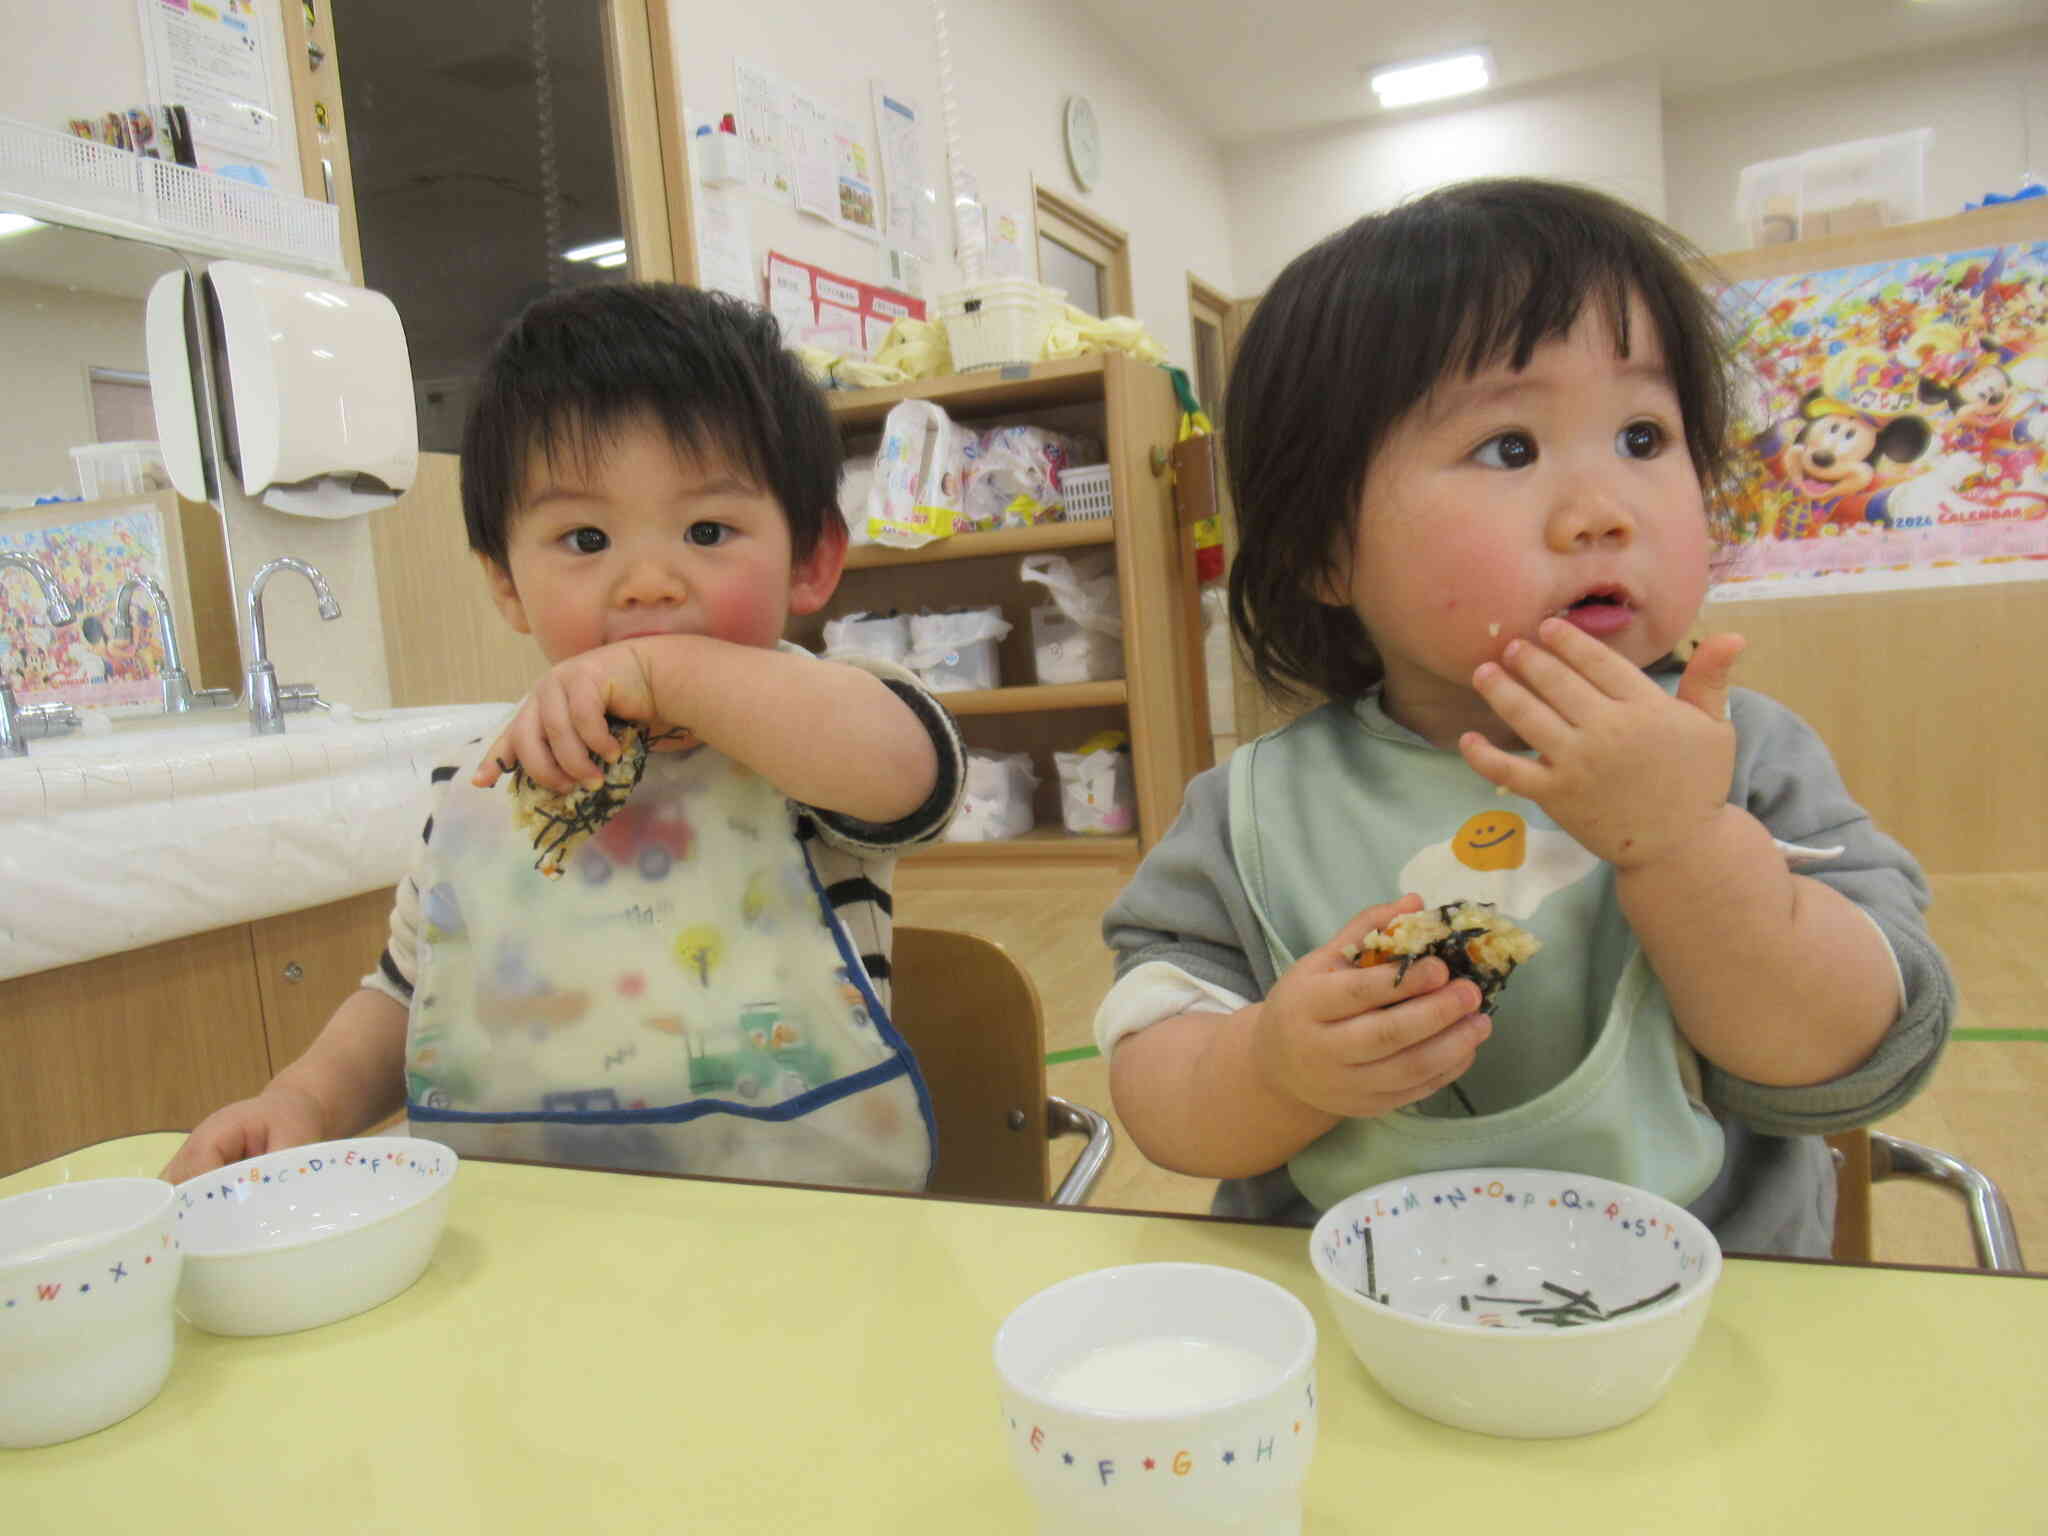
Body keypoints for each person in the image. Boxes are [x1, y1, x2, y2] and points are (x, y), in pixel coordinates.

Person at [1097, 179, 1953, 1257]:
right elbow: (1158, 1085)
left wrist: (1684, 846)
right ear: (1324, 548)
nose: (1602, 510)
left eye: (1643, 435)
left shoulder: (1744, 759)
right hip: (1355, 1322)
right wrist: (1269, 1067)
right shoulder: (1254, 812)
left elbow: (1847, 1053)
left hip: (1714, 1323)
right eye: (1509, 447)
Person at [164, 283, 964, 1190]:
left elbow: (905, 769)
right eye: (586, 538)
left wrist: (669, 675)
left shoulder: (819, 729)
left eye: (708, 530)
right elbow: (408, 992)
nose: (649, 582)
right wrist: (302, 1101)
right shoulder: (481, 785)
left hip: (807, 1236)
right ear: (505, 582)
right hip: (530, 1245)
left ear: (812, 559)